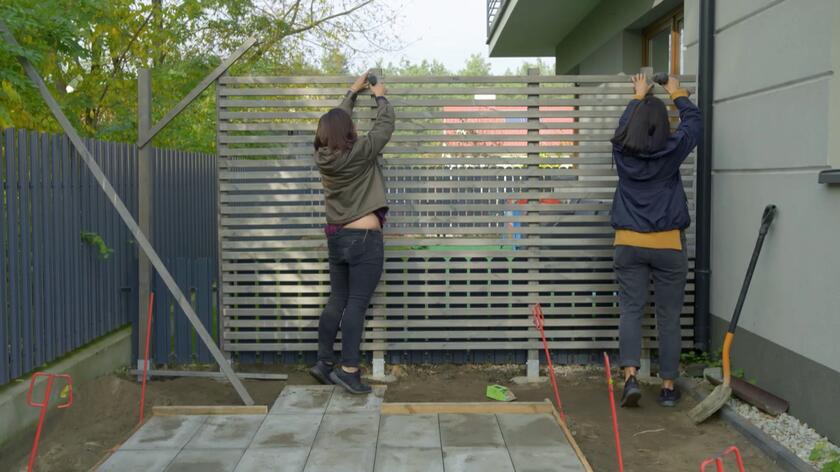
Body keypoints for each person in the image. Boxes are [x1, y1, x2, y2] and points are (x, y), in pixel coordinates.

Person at [610, 73, 702, 407]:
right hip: (668, 245)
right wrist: (677, 93)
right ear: (663, 125)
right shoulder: (672, 150)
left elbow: (622, 128)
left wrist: (637, 96)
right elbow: (694, 124)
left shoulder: (622, 151)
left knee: (631, 311)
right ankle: (667, 387)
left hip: (628, 243)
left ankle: (630, 378)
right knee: (669, 316)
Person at [308, 71, 395, 394]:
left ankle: (323, 362)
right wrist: (380, 96)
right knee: (356, 304)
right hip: (364, 241)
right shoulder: (360, 152)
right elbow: (384, 127)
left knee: (337, 300)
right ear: (349, 131)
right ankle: (348, 371)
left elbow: (335, 125)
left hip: (337, 238)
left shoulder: (322, 158)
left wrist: (351, 93)